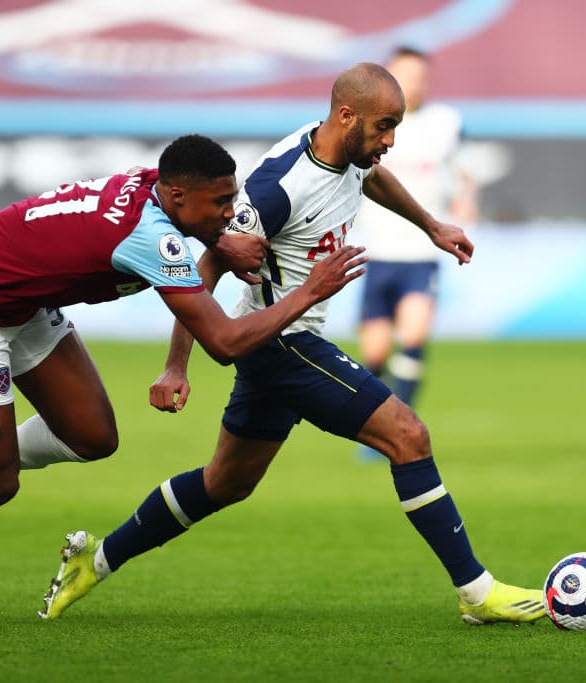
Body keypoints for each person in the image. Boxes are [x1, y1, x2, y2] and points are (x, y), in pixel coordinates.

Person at [37, 64, 545, 626]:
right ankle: (477, 593)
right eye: (383, 127)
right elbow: (208, 265)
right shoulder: (279, 187)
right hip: (283, 343)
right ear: (347, 117)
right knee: (407, 435)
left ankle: (96, 562)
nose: (390, 141)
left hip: (278, 341)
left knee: (225, 483)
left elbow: (369, 178)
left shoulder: (350, 153)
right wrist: (176, 366)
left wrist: (430, 225)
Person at [0, 134, 367, 629]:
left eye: (231, 199)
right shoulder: (151, 237)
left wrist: (219, 240)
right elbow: (222, 343)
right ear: (178, 197)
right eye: (221, 204)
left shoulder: (155, 187)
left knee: (92, 437)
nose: (232, 213)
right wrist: (308, 292)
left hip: (23, 302)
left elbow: (167, 226)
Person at [356, 46, 478, 460]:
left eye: (421, 76)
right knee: (373, 354)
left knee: (413, 337)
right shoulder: (373, 123)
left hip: (420, 253)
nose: (416, 83)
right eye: (407, 75)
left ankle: (396, 429)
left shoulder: (447, 123)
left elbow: (464, 170)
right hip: (375, 252)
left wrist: (464, 198)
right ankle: (376, 422)